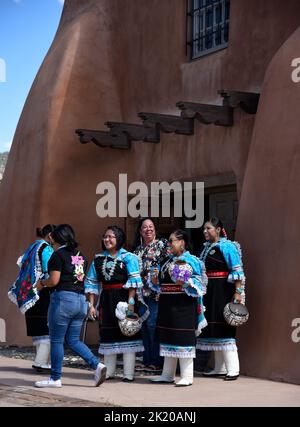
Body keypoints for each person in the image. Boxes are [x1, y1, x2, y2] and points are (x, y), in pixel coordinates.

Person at [34, 224, 106, 388]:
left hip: (63, 301)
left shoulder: (57, 255)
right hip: (81, 301)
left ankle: (55, 378)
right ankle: (97, 365)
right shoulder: (81, 256)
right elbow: (78, 277)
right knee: (73, 340)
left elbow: (54, 281)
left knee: (57, 340)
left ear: (56, 238)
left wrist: (41, 284)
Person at [85, 226, 145, 382]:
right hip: (106, 299)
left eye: (111, 237)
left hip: (124, 298)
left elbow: (133, 282)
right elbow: (91, 283)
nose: (107, 240)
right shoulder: (98, 259)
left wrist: (130, 304)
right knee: (108, 334)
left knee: (127, 333)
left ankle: (128, 374)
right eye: (105, 236)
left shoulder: (128, 257)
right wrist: (91, 305)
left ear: (119, 239)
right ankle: (109, 371)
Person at [150, 229, 207, 386]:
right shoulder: (166, 261)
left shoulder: (191, 261)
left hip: (184, 307)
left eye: (171, 241)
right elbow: (159, 285)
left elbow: (200, 284)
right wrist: (155, 281)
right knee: (168, 338)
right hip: (167, 305)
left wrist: (186, 282)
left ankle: (187, 376)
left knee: (183, 339)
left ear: (182, 243)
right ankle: (167, 375)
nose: (169, 244)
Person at [197, 217, 246, 381]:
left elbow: (237, 271)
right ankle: (219, 367)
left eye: (208, 228)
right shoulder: (206, 248)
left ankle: (233, 368)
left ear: (218, 230)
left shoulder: (227, 246)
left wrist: (238, 293)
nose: (205, 231)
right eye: (204, 229)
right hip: (210, 293)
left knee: (225, 329)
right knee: (213, 330)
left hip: (223, 292)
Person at [8, 224, 56, 372]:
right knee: (46, 328)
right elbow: (49, 270)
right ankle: (41, 362)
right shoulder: (46, 248)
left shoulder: (32, 247)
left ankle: (40, 360)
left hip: (29, 291)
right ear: (50, 235)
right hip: (41, 291)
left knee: (38, 327)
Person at [133, 218, 169, 372]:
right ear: (140, 231)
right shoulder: (137, 251)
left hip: (156, 293)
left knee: (154, 326)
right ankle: (147, 359)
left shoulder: (162, 245)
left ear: (155, 229)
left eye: (151, 227)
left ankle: (157, 361)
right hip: (141, 294)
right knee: (144, 326)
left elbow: (168, 265)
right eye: (145, 227)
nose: (148, 229)